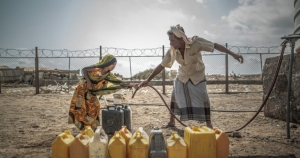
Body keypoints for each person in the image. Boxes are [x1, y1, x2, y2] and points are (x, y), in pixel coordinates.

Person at [137, 24, 244, 129]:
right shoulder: (172, 50)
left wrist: (234, 54)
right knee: (174, 95)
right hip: (183, 75)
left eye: (172, 40)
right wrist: (148, 80)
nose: (170, 43)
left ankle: (209, 124)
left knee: (203, 97)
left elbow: (215, 45)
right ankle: (171, 121)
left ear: (181, 39)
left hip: (197, 75)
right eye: (169, 41)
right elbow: (162, 65)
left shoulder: (196, 42)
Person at [68, 54, 137, 131]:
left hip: (91, 90)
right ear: (108, 62)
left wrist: (132, 85)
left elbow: (119, 82)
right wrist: (88, 81)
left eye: (115, 65)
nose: (114, 66)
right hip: (83, 88)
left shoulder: (108, 74)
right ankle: (83, 127)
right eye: (113, 64)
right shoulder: (98, 68)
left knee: (95, 106)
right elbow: (84, 69)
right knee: (82, 107)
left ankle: (92, 127)